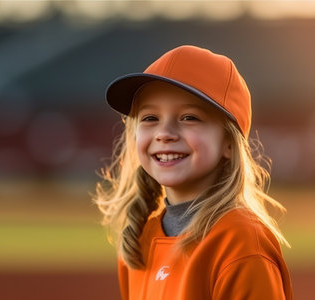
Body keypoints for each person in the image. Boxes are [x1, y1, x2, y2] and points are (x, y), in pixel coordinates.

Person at [94, 45, 293, 299]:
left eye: (189, 117)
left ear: (229, 143)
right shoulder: (138, 240)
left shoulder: (240, 242)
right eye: (149, 118)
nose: (164, 133)